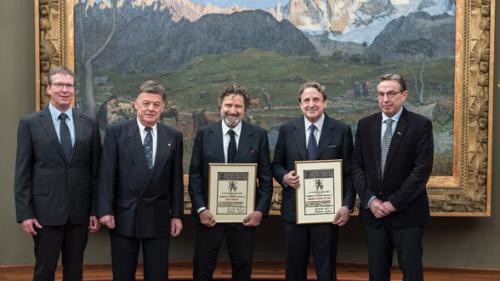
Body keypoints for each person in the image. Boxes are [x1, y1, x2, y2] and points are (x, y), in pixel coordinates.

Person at [14, 66, 101, 281]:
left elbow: (96, 171)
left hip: (79, 213)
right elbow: (22, 171)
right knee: (44, 271)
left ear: (73, 90)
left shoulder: (89, 123)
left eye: (69, 85)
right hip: (45, 213)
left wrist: (94, 210)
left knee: (75, 271)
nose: (65, 90)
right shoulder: (30, 123)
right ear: (49, 89)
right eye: (59, 85)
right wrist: (25, 213)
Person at [97, 80, 184, 281]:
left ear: (163, 108)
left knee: (157, 275)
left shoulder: (173, 136)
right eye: (146, 103)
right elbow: (106, 174)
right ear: (136, 104)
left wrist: (177, 215)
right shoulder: (116, 133)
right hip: (124, 215)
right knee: (123, 274)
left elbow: (176, 180)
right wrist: (105, 210)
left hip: (159, 216)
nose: (150, 109)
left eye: (156, 104)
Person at [351, 74, 434, 281]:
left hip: (407, 214)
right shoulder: (365, 125)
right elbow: (357, 166)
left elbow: (421, 170)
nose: (385, 99)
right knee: (377, 274)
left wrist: (393, 203)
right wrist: (371, 201)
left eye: (391, 93)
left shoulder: (420, 125)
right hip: (374, 215)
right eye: (381, 94)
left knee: (412, 273)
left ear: (403, 95)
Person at [188, 84, 273, 281]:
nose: (233, 111)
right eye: (228, 105)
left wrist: (259, 211)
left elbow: (266, 179)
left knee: (243, 269)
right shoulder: (204, 134)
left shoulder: (258, 135)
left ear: (245, 109)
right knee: (202, 268)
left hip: (245, 218)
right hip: (209, 217)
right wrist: (201, 209)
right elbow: (195, 176)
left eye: (238, 106)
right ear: (220, 106)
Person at [272, 81, 356, 281]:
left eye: (316, 99)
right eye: (306, 100)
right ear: (300, 104)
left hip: (328, 214)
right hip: (295, 214)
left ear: (325, 102)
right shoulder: (287, 129)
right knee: (294, 271)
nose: (311, 104)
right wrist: (284, 177)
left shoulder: (342, 130)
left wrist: (346, 205)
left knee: (326, 271)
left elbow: (350, 173)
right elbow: (275, 165)